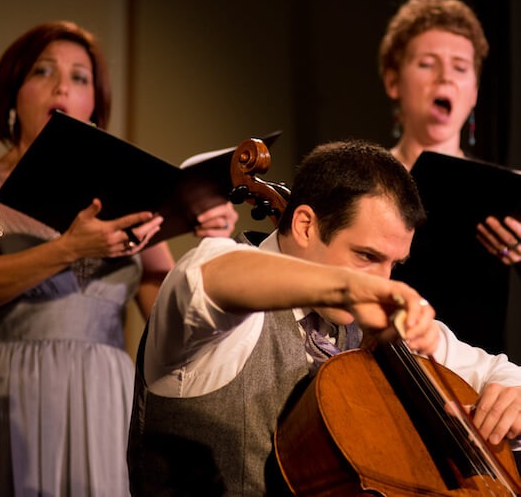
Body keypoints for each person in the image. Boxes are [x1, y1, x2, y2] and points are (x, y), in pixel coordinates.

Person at [127, 140, 521, 496]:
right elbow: (206, 275)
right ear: (304, 225)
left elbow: (498, 372)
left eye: (393, 264)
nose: (381, 281)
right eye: (366, 256)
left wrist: (512, 395)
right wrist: (346, 287)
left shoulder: (376, 323)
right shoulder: (224, 313)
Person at [0, 21, 238, 496]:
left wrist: (210, 243)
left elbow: (171, 321)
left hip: (103, 401)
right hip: (1, 399)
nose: (63, 85)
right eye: (43, 71)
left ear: (94, 106)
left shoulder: (128, 197)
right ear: (11, 96)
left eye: (80, 77)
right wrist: (71, 249)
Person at [379, 0, 521, 354]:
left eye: (460, 67)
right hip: (383, 368)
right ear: (394, 81)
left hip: (473, 385)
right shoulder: (365, 182)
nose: (445, 79)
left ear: (473, 92)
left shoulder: (504, 190)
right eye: (428, 64)